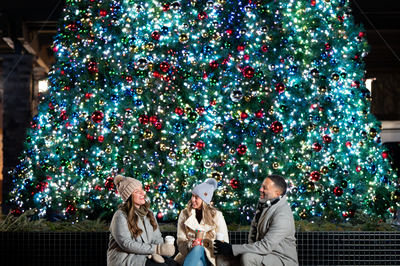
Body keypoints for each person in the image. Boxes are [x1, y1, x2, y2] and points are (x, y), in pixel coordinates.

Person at [214, 174, 298, 266]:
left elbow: (266, 246)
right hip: (263, 255)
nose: (260, 189)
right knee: (223, 258)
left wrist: (231, 249)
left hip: (282, 260)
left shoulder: (282, 215)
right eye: (262, 186)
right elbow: (253, 235)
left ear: (276, 194)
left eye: (265, 188)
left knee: (248, 257)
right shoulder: (265, 205)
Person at [107, 175, 179, 266]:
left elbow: (156, 237)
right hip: (126, 257)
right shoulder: (120, 215)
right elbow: (126, 244)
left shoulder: (149, 213)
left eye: (141, 189)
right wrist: (156, 249)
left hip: (146, 254)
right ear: (129, 197)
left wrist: (162, 249)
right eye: (137, 191)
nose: (143, 193)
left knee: (174, 265)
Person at [174, 178, 229, 266]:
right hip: (189, 254)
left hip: (210, 257)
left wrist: (204, 243)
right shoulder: (184, 214)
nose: (192, 200)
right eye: (192, 196)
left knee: (199, 248)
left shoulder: (217, 216)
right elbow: (180, 242)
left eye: (196, 197)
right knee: (198, 263)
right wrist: (190, 244)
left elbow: (224, 242)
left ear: (204, 200)